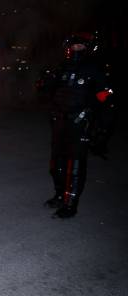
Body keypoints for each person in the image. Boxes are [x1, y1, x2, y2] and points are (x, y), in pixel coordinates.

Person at [41, 32, 113, 218]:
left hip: (80, 122)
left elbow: (106, 96)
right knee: (56, 164)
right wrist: (45, 80)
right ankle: (59, 195)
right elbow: (47, 91)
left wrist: (101, 126)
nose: (76, 48)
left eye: (80, 45)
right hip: (59, 121)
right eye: (74, 45)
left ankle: (70, 204)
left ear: (88, 48)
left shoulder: (94, 69)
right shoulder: (61, 66)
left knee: (75, 166)